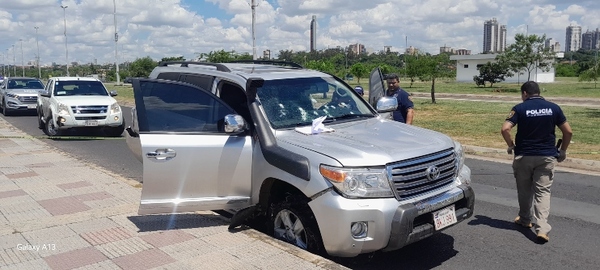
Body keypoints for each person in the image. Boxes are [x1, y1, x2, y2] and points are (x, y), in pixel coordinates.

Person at [500, 81, 573, 243]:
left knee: (524, 190)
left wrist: (511, 145)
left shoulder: (519, 108)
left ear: (525, 93)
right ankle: (542, 228)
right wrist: (563, 151)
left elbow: (505, 128)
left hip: (524, 156)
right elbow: (568, 131)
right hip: (546, 157)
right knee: (543, 192)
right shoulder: (553, 108)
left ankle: (525, 219)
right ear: (538, 92)